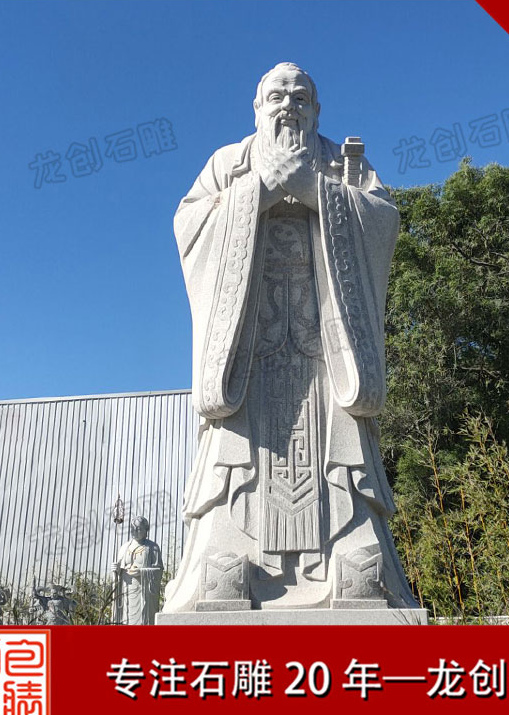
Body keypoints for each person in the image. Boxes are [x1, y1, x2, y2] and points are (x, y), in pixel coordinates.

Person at [163, 62, 418, 612]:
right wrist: (254, 192)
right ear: (257, 108)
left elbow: (384, 220)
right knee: (239, 452)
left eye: (301, 97)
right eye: (277, 96)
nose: (289, 106)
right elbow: (189, 226)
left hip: (327, 344)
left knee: (339, 446)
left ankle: (349, 552)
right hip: (247, 347)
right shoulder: (228, 162)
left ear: (317, 110)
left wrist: (314, 190)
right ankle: (231, 554)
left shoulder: (342, 163)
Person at [112, 516, 163, 624]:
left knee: (143, 620)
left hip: (143, 591)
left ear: (146, 529)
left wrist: (142, 572)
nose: (135, 531)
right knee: (126, 618)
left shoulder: (153, 547)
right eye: (133, 528)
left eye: (139, 529)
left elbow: (158, 570)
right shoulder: (124, 547)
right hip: (126, 589)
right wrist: (117, 570)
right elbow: (119, 569)